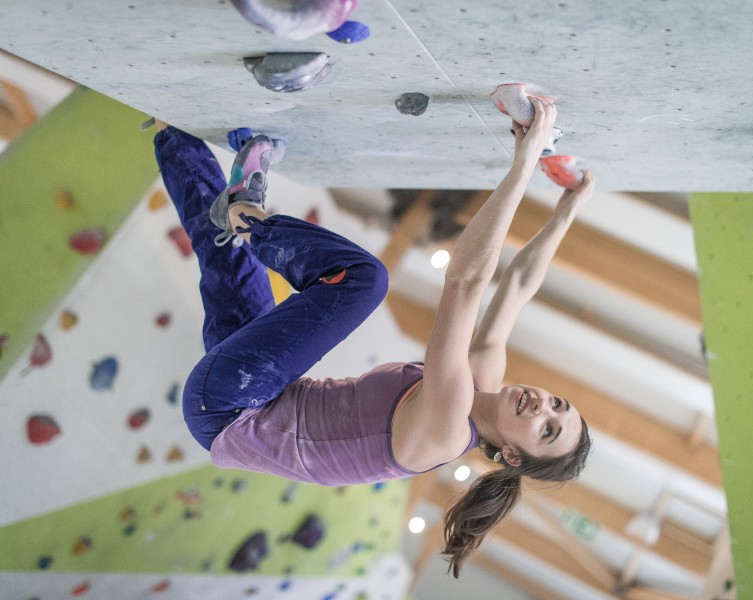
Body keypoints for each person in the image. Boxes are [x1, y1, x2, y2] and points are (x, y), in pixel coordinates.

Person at [152, 97, 594, 577]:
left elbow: (466, 281)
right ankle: (167, 121)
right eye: (559, 405)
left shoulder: (447, 428)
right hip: (247, 400)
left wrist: (524, 163)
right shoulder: (482, 379)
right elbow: (517, 287)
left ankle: (248, 214)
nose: (543, 407)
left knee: (364, 280)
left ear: (510, 455)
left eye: (546, 430)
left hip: (234, 405)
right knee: (223, 253)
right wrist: (565, 214)